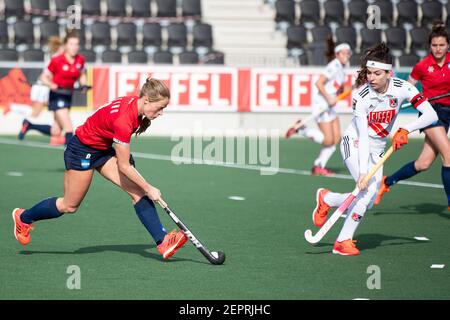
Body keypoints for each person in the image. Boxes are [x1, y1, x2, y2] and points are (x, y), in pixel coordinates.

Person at [12, 78, 188, 260]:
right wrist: (149, 187)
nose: (161, 113)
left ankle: (163, 241)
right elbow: (124, 165)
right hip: (81, 150)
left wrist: (140, 181)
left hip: (102, 150)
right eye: (159, 108)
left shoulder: (133, 105)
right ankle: (23, 217)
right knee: (69, 206)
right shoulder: (124, 120)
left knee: (138, 192)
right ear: (146, 100)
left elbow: (114, 141)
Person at [310, 43, 438, 256]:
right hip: (356, 142)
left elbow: (430, 115)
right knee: (366, 189)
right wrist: (362, 172)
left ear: (390, 73)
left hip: (378, 148)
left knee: (367, 202)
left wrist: (406, 129)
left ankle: (328, 198)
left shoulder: (403, 88)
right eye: (369, 73)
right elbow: (363, 136)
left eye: (377, 73)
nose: (371, 78)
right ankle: (342, 241)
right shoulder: (361, 97)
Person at [375, 21, 450, 209]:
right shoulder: (422, 66)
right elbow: (407, 88)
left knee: (423, 163)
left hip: (447, 114)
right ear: (430, 46)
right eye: (434, 45)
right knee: (449, 155)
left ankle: (387, 182)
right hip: (431, 114)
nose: (438, 49)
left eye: (442, 45)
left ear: (448, 45)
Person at [288, 38, 352, 176]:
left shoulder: (341, 68)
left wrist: (355, 86)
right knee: (328, 140)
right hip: (322, 104)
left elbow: (339, 88)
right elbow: (319, 83)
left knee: (335, 139)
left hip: (330, 105)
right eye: (345, 53)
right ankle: (302, 129)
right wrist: (329, 97)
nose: (348, 55)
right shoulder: (333, 66)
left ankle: (318, 166)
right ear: (338, 54)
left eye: (349, 53)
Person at [18, 29, 87, 146]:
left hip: (68, 95)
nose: (74, 47)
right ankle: (71, 160)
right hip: (57, 96)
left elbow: (82, 74)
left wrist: (84, 85)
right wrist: (51, 84)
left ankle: (29, 125)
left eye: (76, 44)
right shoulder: (57, 60)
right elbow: (43, 77)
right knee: (69, 127)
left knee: (56, 131)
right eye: (71, 44)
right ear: (65, 45)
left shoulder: (80, 60)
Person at [18, 36, 65, 145]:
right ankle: (28, 124)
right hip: (44, 88)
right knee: (39, 113)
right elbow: (48, 76)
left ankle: (30, 125)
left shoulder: (58, 57)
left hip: (44, 87)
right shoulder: (57, 58)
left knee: (57, 124)